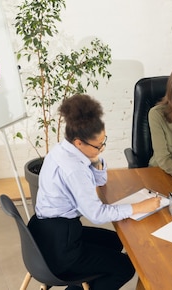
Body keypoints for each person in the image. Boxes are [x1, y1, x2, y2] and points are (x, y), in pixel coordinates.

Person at [28, 94, 160, 290]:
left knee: (116, 241)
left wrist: (95, 157)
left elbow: (100, 180)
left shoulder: (63, 149)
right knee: (124, 267)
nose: (102, 148)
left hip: (43, 231)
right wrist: (138, 207)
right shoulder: (74, 169)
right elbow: (97, 214)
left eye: (104, 141)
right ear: (79, 143)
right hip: (60, 247)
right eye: (98, 146)